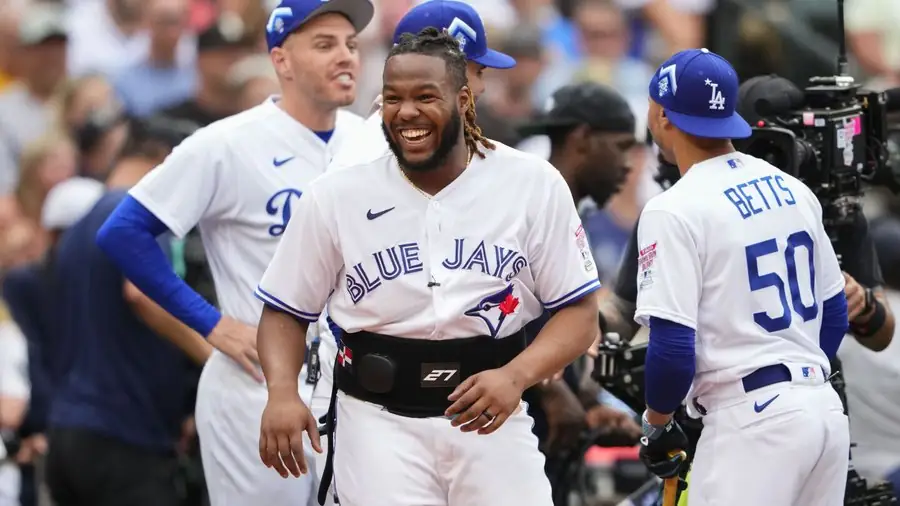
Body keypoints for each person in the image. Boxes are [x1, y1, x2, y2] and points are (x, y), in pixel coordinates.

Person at [255, 28, 600, 506]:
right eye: (393, 98)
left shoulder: (531, 183)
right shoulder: (336, 195)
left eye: (425, 96)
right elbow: (285, 312)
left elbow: (580, 313)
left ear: (463, 100)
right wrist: (281, 393)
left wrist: (517, 376)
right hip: (377, 418)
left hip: (491, 416)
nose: (407, 112)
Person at [95, 1, 373, 505]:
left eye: (351, 45)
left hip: (351, 385)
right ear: (281, 60)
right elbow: (123, 231)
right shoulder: (227, 143)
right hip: (256, 385)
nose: (346, 57)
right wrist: (211, 324)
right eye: (325, 44)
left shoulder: (370, 142)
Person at [310, 2, 516, 501]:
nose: (482, 87)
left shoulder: (464, 158)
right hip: (374, 395)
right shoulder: (370, 162)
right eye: (476, 70)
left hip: (448, 400)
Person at [636, 48, 850, 506]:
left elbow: (672, 347)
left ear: (662, 115)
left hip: (751, 424)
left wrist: (657, 422)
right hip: (823, 410)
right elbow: (834, 314)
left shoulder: (673, 208)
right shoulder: (791, 187)